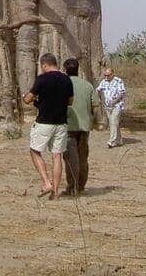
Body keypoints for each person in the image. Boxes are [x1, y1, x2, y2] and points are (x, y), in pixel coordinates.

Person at [22, 53, 74, 201]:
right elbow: (70, 101)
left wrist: (27, 97)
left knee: (34, 150)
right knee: (57, 155)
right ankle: (55, 192)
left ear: (44, 64)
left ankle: (46, 182)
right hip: (61, 123)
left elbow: (28, 99)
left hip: (44, 122)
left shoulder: (42, 79)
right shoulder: (66, 80)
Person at [62, 57, 96, 195]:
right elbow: (95, 105)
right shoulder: (87, 85)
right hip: (85, 126)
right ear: (77, 70)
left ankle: (72, 186)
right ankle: (81, 185)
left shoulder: (63, 84)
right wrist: (95, 121)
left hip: (68, 126)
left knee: (71, 157)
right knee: (82, 156)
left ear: (65, 70)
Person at [97, 65, 127, 148]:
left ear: (113, 74)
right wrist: (101, 99)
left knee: (113, 121)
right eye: (105, 75)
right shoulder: (103, 82)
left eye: (108, 75)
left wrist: (114, 101)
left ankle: (112, 141)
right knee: (113, 123)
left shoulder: (118, 81)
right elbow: (98, 90)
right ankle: (119, 140)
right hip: (107, 106)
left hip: (117, 105)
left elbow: (122, 93)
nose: (106, 77)